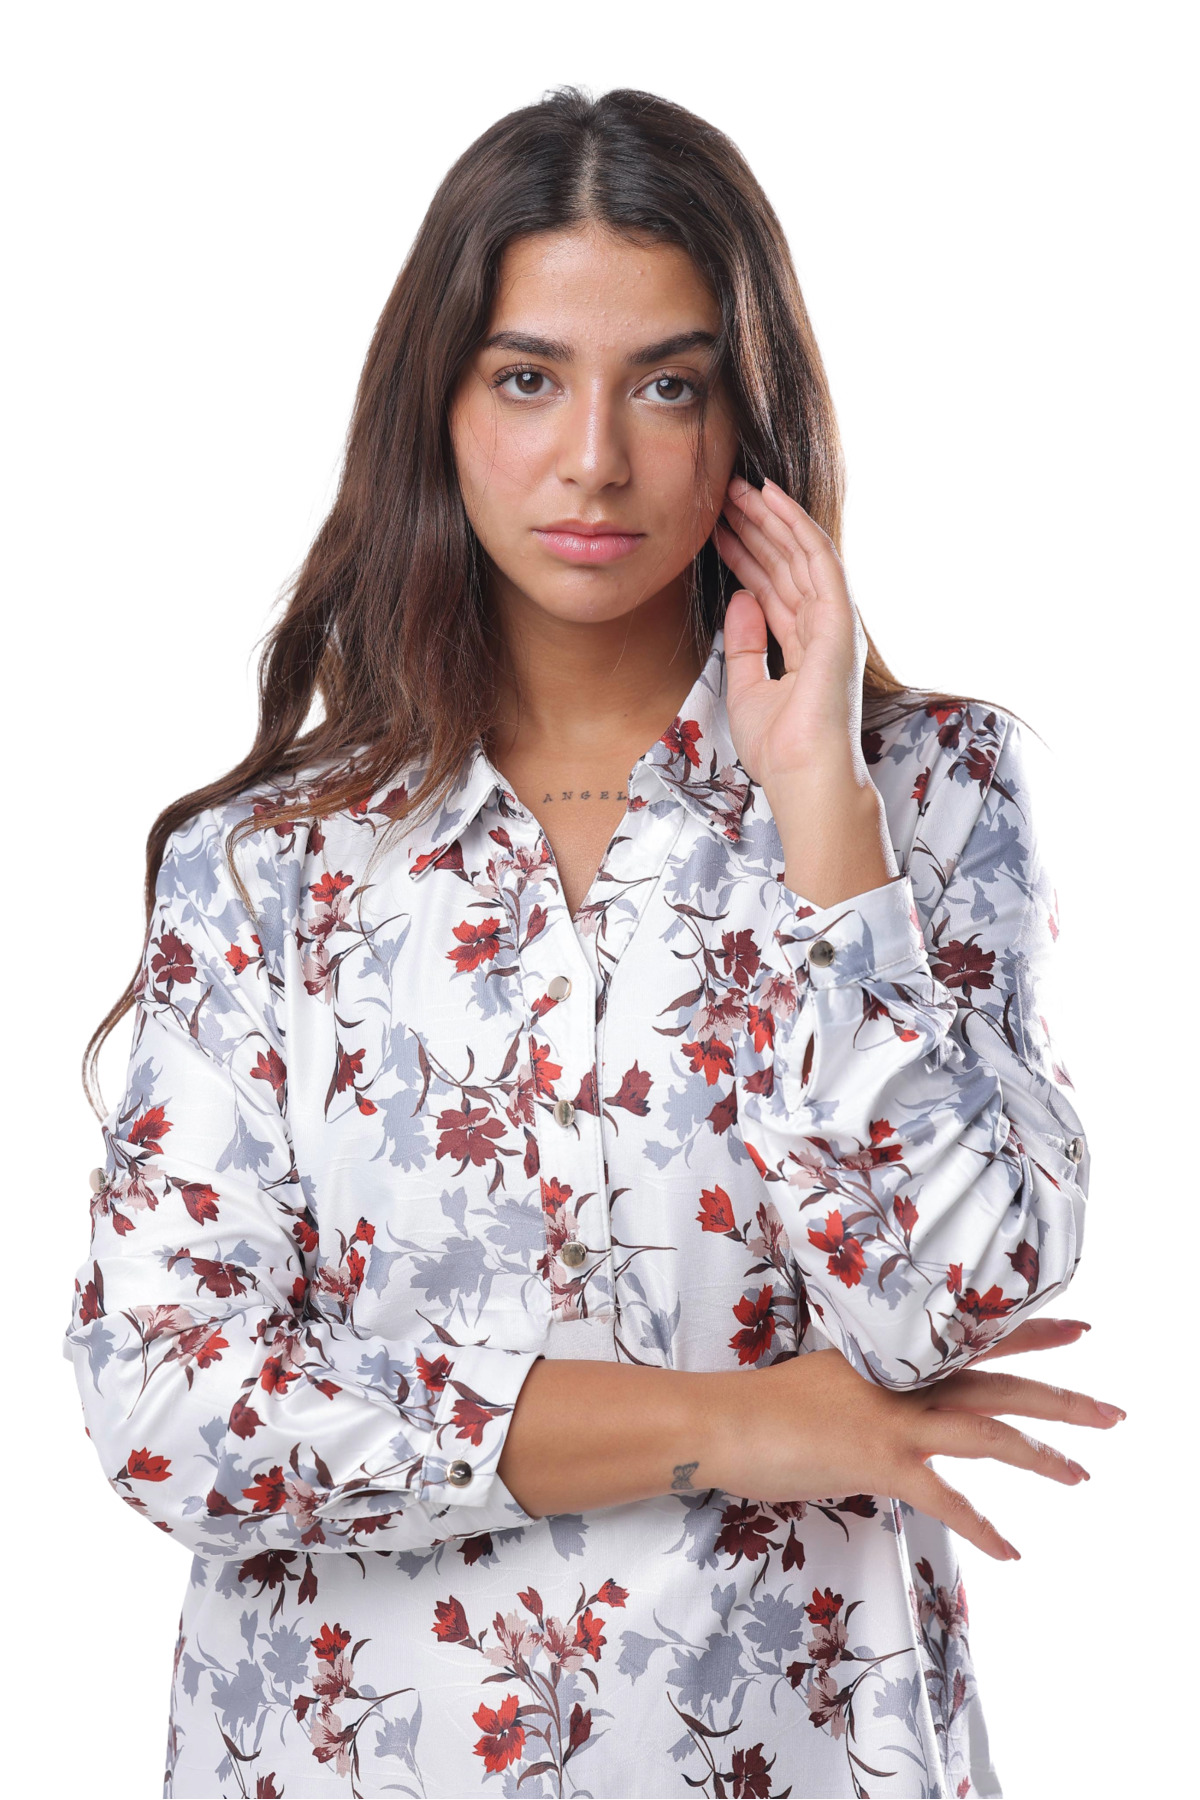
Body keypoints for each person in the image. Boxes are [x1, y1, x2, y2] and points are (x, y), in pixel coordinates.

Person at [65, 84, 1122, 1800]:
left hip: (805, 1753)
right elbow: (174, 1405)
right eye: (529, 378)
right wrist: (741, 1423)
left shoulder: (926, 793)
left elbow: (945, 1304)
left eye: (669, 384)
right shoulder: (270, 866)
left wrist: (821, 814)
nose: (596, 460)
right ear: (438, 406)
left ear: (749, 417)